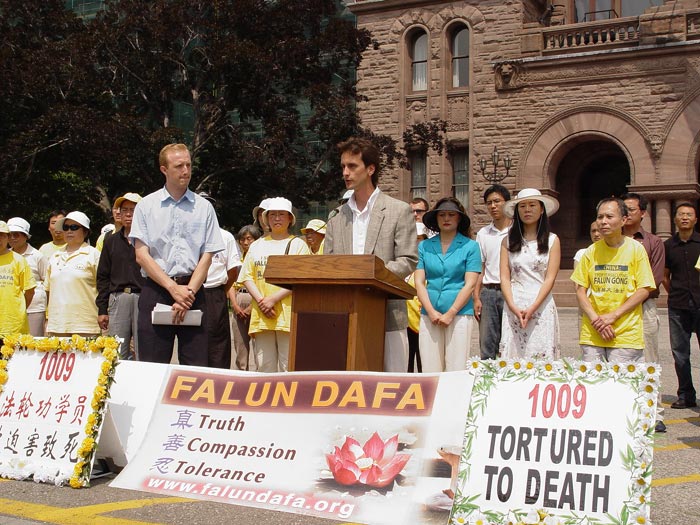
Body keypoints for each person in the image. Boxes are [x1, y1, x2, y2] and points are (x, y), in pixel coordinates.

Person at [325, 137, 418, 372]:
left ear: (370, 169)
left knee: (392, 385)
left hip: (388, 314)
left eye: (352, 166)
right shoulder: (336, 217)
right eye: (343, 166)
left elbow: (408, 260)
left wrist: (371, 274)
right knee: (349, 384)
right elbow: (328, 264)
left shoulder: (399, 210)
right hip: (344, 315)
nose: (345, 173)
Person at [130, 143, 224, 366]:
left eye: (188, 165)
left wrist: (187, 293)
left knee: (196, 367)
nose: (186, 171)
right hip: (157, 290)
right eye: (179, 166)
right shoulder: (146, 206)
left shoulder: (204, 207)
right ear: (164, 169)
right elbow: (141, 255)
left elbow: (207, 255)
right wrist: (172, 289)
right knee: (153, 366)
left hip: (193, 292)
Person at [571, 198, 655, 363]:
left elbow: (644, 289)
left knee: (621, 379)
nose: (603, 221)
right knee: (592, 378)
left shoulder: (636, 249)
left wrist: (614, 316)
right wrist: (596, 321)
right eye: (600, 217)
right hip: (593, 333)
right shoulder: (591, 251)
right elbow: (580, 290)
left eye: (609, 217)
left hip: (625, 334)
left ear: (623, 220)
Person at [237, 197, 310, 372]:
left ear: (290, 218)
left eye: (282, 214)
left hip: (288, 315)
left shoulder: (298, 245)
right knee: (264, 366)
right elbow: (247, 276)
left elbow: (302, 278)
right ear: (266, 218)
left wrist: (273, 299)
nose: (277, 218)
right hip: (262, 316)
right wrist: (262, 302)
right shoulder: (256, 246)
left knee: (288, 366)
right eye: (273, 215)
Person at [414, 197, 481, 371]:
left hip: (459, 314)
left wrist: (451, 313)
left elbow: (470, 284)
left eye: (451, 215)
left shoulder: (471, 246)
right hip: (430, 314)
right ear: (436, 218)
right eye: (442, 215)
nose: (446, 218)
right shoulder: (424, 246)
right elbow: (419, 282)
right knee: (430, 368)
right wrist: (430, 311)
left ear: (459, 218)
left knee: (456, 368)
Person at [622, 192, 666, 432]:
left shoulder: (653, 242)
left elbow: (654, 280)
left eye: (631, 209)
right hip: (614, 308)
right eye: (623, 209)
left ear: (643, 213)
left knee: (648, 359)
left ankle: (654, 413)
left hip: (643, 306)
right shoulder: (611, 240)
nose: (627, 214)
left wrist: (627, 300)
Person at [499, 189, 561, 359]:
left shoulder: (552, 240)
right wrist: (512, 305)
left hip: (541, 304)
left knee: (541, 355)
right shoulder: (507, 241)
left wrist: (534, 307)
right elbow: (504, 277)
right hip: (515, 303)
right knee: (513, 356)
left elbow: (550, 278)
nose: (527, 209)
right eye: (522, 206)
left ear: (541, 209)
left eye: (532, 205)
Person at [96, 193, 145, 360]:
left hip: (143, 297)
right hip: (118, 298)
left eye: (133, 210)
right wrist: (102, 309)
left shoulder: (150, 240)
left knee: (144, 351)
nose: (128, 214)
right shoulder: (111, 241)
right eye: (125, 210)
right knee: (116, 353)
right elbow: (103, 276)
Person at [663, 202, 700, 410]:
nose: (685, 217)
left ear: (695, 219)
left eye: (689, 214)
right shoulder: (668, 246)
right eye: (681, 214)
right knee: (680, 353)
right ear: (675, 219)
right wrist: (675, 292)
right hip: (678, 305)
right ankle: (686, 395)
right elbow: (665, 276)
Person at [200, 192, 242, 370]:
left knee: (218, 341)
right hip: (190, 293)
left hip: (215, 292)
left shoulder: (225, 236)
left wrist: (222, 291)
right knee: (193, 340)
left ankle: (218, 377)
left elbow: (233, 269)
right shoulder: (186, 235)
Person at [45, 211, 101, 337]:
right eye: (66, 227)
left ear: (85, 232)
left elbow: (104, 288)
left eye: (74, 227)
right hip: (57, 325)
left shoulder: (94, 255)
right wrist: (48, 320)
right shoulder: (55, 256)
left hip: (86, 326)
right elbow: (48, 290)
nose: (69, 231)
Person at [474, 185, 512, 359]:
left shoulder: (517, 231)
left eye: (497, 201)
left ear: (507, 203)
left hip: (512, 291)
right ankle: (487, 373)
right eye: (489, 203)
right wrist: (476, 297)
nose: (493, 206)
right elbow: (479, 268)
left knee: (511, 341)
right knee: (487, 343)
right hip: (489, 292)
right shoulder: (483, 233)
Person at [8, 217, 48, 336]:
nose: (12, 238)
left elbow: (47, 282)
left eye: (16, 234)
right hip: (11, 309)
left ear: (26, 236)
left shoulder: (38, 256)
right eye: (9, 235)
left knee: (34, 342)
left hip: (34, 308)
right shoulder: (5, 256)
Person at [231, 224, 263, 371]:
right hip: (238, 297)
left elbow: (263, 284)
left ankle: (259, 374)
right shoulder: (236, 260)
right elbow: (230, 283)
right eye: (242, 239)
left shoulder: (261, 259)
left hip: (256, 301)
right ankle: (242, 373)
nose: (245, 242)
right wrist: (234, 305)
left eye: (249, 239)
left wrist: (252, 306)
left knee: (259, 345)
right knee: (240, 343)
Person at [0, 221, 36, 337]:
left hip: (13, 325)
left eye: (2, 235)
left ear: (8, 238)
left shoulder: (19, 260)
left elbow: (30, 291)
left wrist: (18, 309)